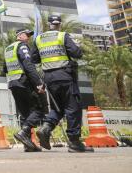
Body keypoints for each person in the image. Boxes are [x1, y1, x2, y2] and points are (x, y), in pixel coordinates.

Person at [30, 14, 94, 153]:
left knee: (57, 108)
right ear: (59, 24)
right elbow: (77, 53)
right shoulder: (63, 36)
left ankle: (45, 128)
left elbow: (34, 59)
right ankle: (74, 143)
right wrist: (76, 45)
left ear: (48, 24)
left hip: (49, 78)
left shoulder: (38, 39)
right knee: (73, 108)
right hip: (65, 76)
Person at [3, 29, 45, 152]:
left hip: (13, 83)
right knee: (39, 108)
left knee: (26, 114)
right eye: (27, 35)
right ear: (20, 36)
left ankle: (28, 145)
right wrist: (39, 83)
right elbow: (28, 65)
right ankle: (23, 132)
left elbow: (4, 68)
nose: (28, 38)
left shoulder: (8, 49)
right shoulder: (22, 47)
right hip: (24, 82)